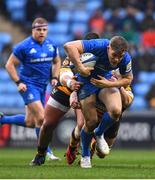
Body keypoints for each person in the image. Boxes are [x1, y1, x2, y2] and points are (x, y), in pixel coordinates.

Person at [30, 32, 100, 166]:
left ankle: (79, 151)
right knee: (48, 124)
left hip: (87, 90)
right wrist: (70, 83)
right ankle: (41, 153)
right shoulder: (73, 54)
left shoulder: (103, 57)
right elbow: (64, 73)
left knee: (83, 125)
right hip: (66, 88)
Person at [64, 36, 133, 168]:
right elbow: (68, 46)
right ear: (108, 48)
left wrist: (109, 84)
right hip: (85, 82)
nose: (117, 59)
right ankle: (85, 156)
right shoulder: (98, 45)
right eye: (114, 55)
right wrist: (80, 67)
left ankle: (99, 133)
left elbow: (128, 79)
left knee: (116, 111)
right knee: (90, 122)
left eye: (120, 56)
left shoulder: (126, 58)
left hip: (104, 80)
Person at [0, 17, 61, 160]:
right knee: (42, 118)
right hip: (28, 86)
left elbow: (57, 61)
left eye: (44, 29)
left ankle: (3, 120)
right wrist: (18, 82)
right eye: (38, 29)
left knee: (30, 122)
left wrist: (55, 77)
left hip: (42, 86)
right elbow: (9, 65)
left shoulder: (52, 44)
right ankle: (46, 152)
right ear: (33, 30)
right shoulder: (23, 46)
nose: (41, 32)